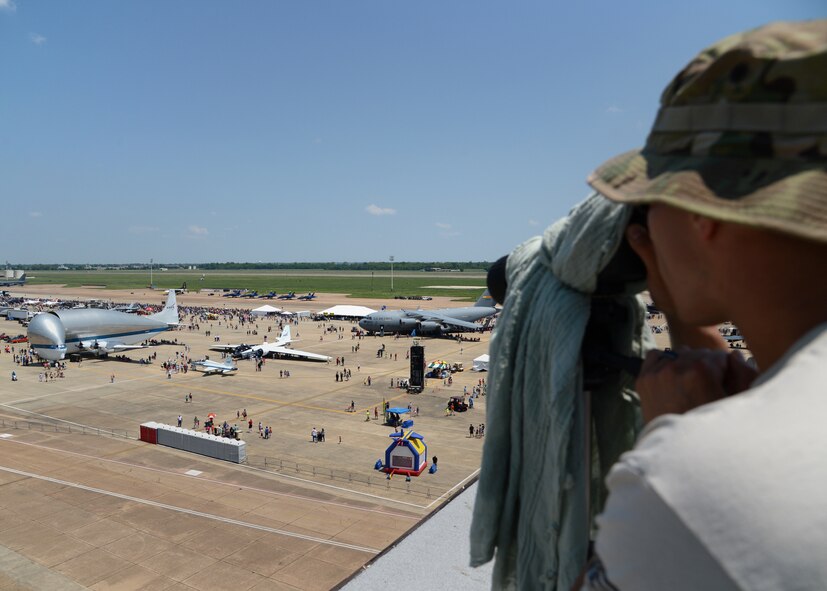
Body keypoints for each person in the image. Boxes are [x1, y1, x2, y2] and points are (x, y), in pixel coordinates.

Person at [578, 20, 827, 590]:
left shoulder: (696, 479)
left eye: (650, 203)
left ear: (704, 215)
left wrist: (668, 439)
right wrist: (681, 307)